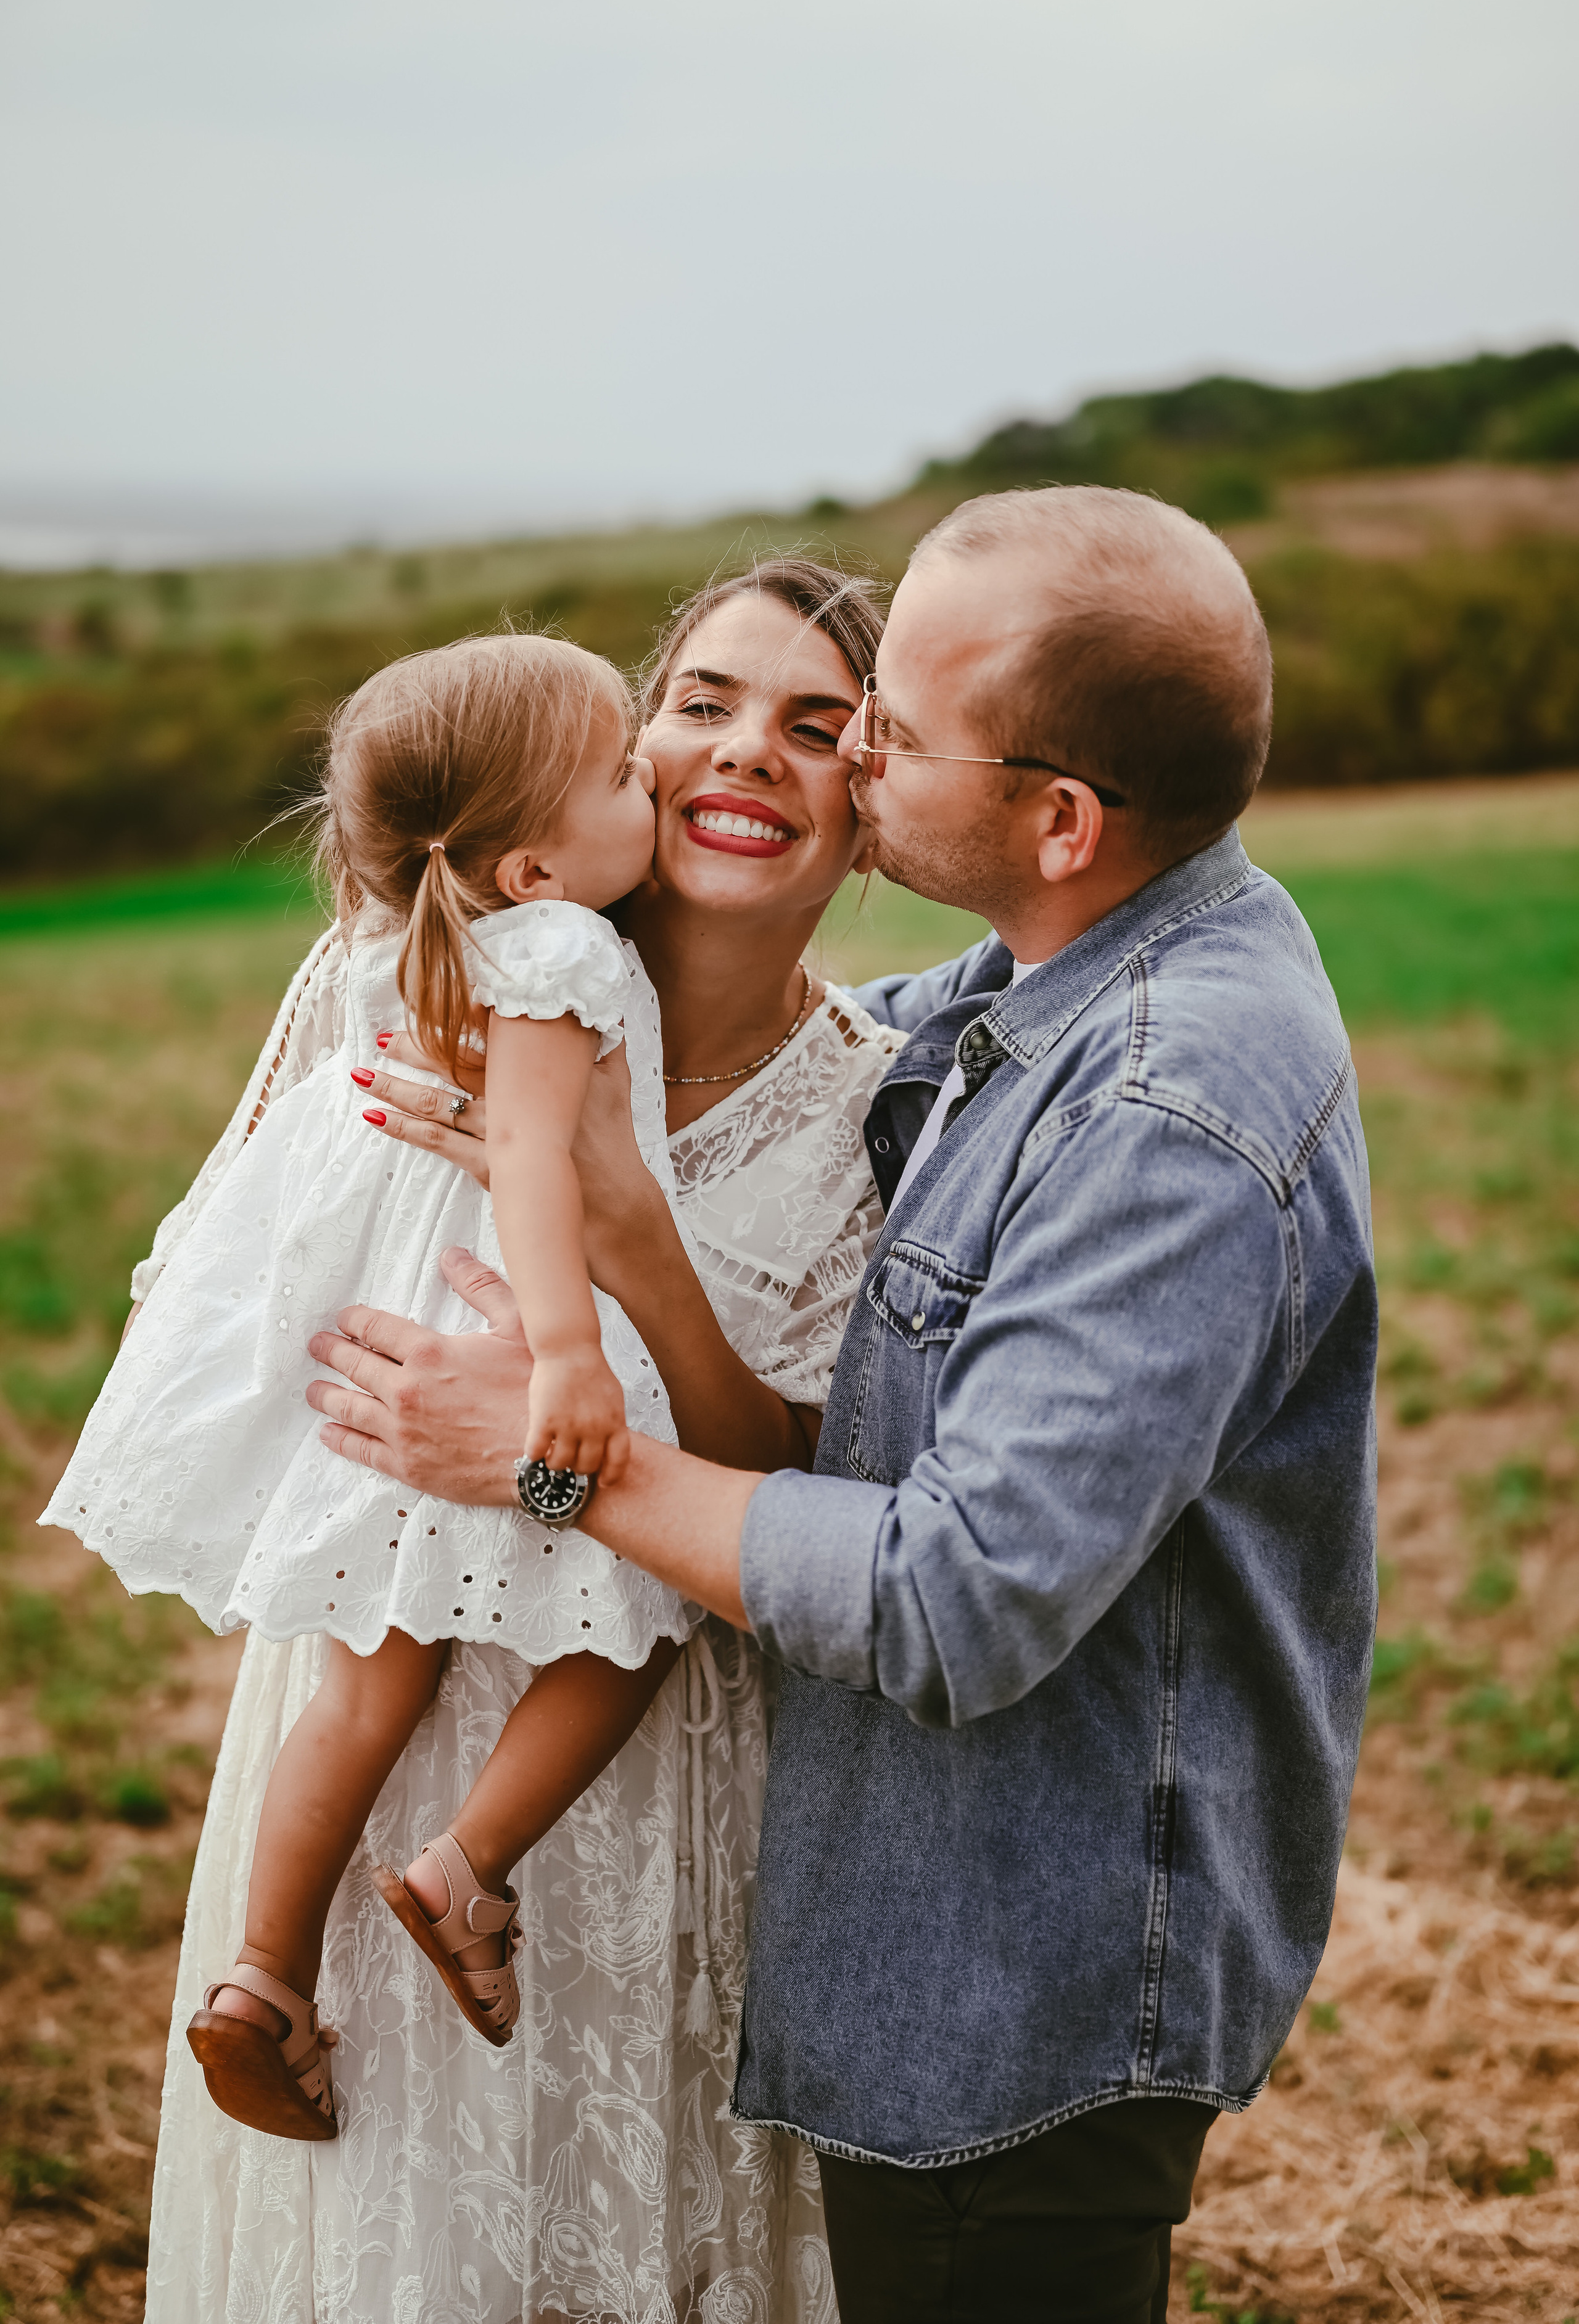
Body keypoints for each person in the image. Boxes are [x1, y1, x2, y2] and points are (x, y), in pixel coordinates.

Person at [308, 487, 1380, 2324]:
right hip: (945, 1940)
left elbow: (956, 1593)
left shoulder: (1158, 1112)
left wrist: (555, 1463)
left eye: (885, 721)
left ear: (1060, 816)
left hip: (1017, 1988)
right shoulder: (1063, 972)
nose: (851, 748)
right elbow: (834, 1050)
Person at [140, 560, 900, 2319]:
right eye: (703, 702)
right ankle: (279, 1968)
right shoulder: (439, 967)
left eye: (815, 727)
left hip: (641, 1776)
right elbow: (257, 1260)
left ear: (876, 805)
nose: (746, 753)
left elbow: (805, 1479)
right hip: (381, 1685)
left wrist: (624, 1263)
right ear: (626, 749)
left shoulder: (879, 1100)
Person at [47, 631, 704, 2135]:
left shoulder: (384, 941)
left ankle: (263, 1978)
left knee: (364, 1683)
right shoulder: (561, 951)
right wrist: (567, 1354)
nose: (647, 784)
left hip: (371, 1346)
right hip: (494, 1332)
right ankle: (465, 1869)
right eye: (619, 772)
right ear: (533, 868)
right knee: (641, 1623)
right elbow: (534, 1156)